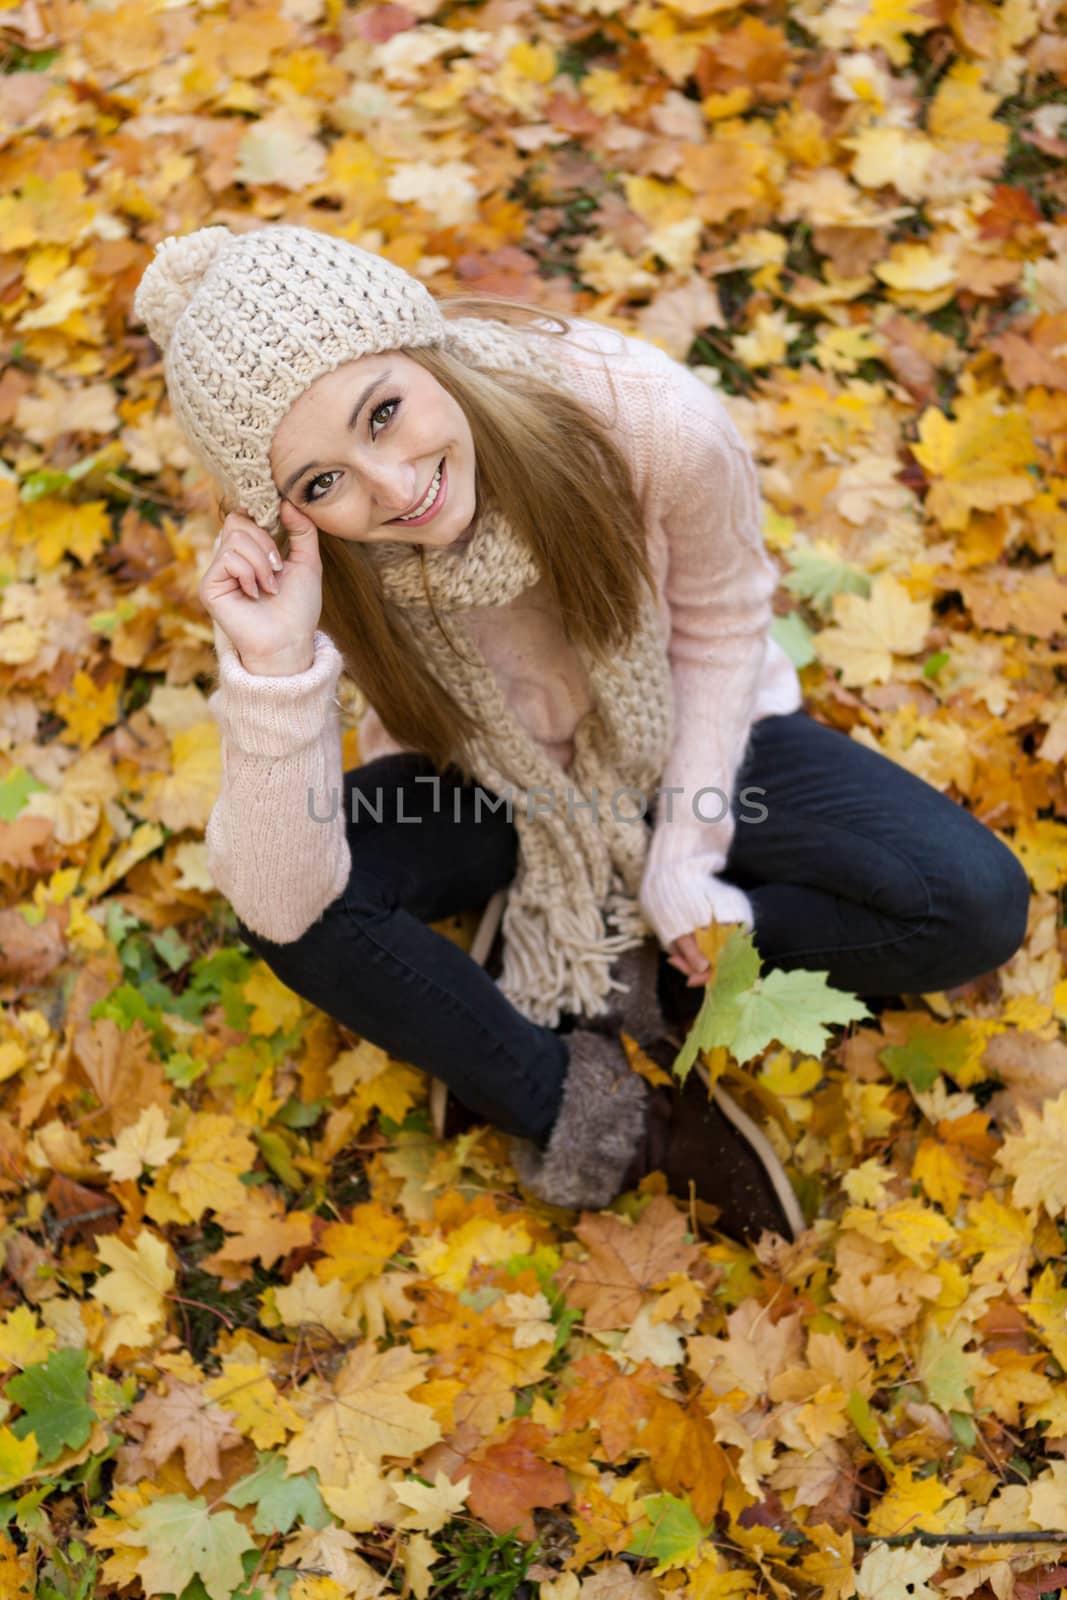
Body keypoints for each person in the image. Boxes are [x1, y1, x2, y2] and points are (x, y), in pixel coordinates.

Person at [132, 223, 1031, 1246]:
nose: (389, 488)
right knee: (284, 906)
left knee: (970, 900)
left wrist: (687, 858)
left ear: (422, 344)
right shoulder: (305, 566)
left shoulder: (641, 417)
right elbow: (281, 897)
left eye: (382, 412)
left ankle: (639, 957)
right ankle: (594, 1107)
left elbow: (723, 614)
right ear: (282, 508)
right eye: (320, 482)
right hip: (479, 777)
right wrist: (274, 663)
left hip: (679, 729)